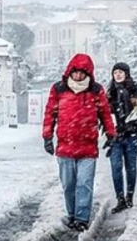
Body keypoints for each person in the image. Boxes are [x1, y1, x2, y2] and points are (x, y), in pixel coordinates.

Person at [42, 54, 116, 232]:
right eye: (75, 73)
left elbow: (105, 114)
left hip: (87, 146)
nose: (77, 76)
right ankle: (72, 214)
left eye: (81, 73)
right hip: (65, 146)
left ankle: (82, 218)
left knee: (84, 183)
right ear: (70, 72)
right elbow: (50, 113)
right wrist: (47, 136)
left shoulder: (96, 90)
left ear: (87, 73)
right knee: (68, 184)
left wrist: (110, 134)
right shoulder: (58, 89)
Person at [107, 62, 137, 214]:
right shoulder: (110, 92)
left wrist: (131, 124)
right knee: (116, 168)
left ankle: (129, 196)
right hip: (115, 136)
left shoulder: (135, 89)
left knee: (131, 167)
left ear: (127, 73)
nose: (118, 75)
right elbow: (105, 112)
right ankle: (120, 198)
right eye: (115, 72)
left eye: (121, 72)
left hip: (131, 134)